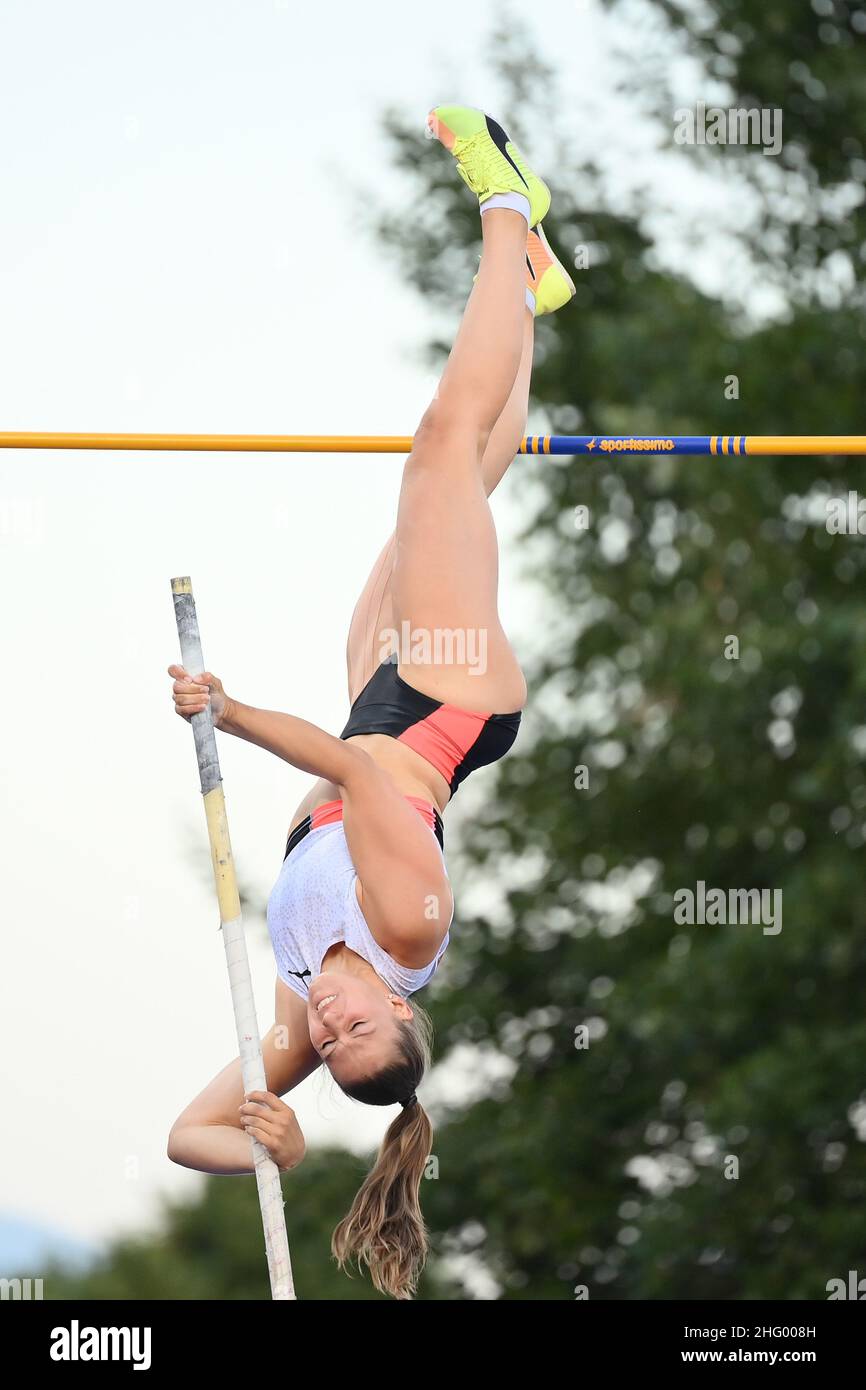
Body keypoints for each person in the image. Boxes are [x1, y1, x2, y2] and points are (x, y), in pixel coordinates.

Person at [166, 105, 575, 1299]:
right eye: (357, 1029)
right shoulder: (404, 930)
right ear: (399, 1008)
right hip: (443, 703)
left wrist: (265, 1146)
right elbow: (350, 780)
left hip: (375, 703)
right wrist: (228, 713)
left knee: (463, 475)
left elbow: (186, 1134)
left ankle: (529, 283)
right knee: (437, 448)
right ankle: (509, 208)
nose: (328, 1022)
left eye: (327, 1042)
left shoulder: (297, 1007)